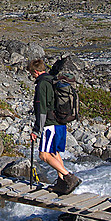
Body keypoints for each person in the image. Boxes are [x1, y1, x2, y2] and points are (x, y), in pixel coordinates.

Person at [28, 58, 81, 195]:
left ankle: (69, 177)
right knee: (53, 152)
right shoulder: (53, 80)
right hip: (60, 123)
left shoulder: (42, 84)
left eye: (31, 73)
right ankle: (61, 181)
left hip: (49, 124)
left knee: (44, 155)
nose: (31, 76)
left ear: (35, 71)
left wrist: (36, 130)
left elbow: (41, 109)